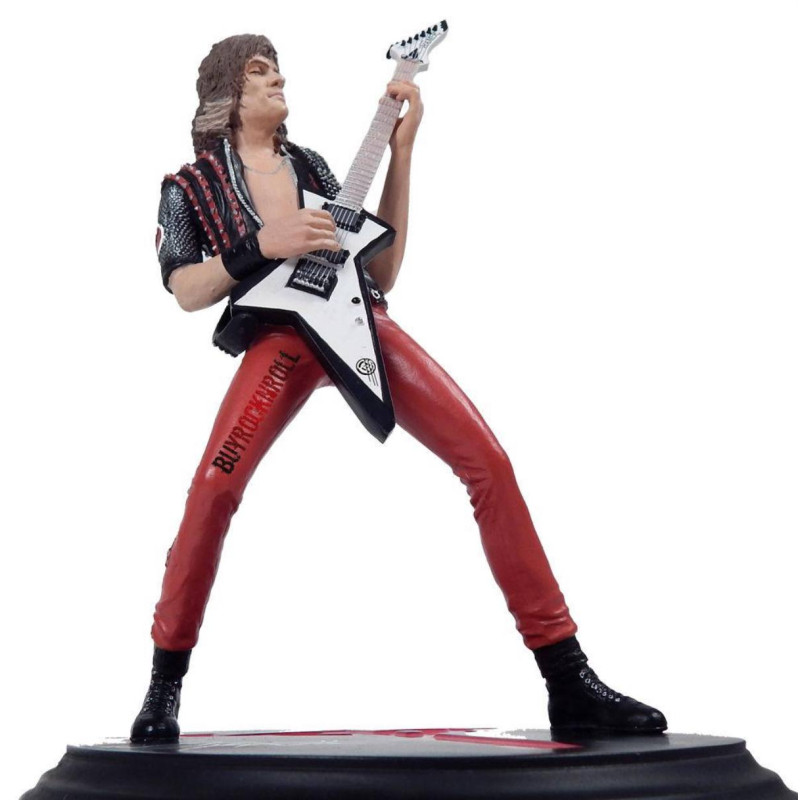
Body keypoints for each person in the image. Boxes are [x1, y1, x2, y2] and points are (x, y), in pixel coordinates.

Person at [132, 33, 666, 743]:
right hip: (281, 342)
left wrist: (402, 154)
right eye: (260, 72)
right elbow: (186, 289)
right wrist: (262, 244)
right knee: (214, 488)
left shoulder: (314, 168)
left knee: (489, 462)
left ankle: (568, 678)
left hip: (359, 324)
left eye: (277, 69)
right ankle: (163, 684)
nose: (277, 80)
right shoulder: (189, 187)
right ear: (227, 93)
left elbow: (380, 274)